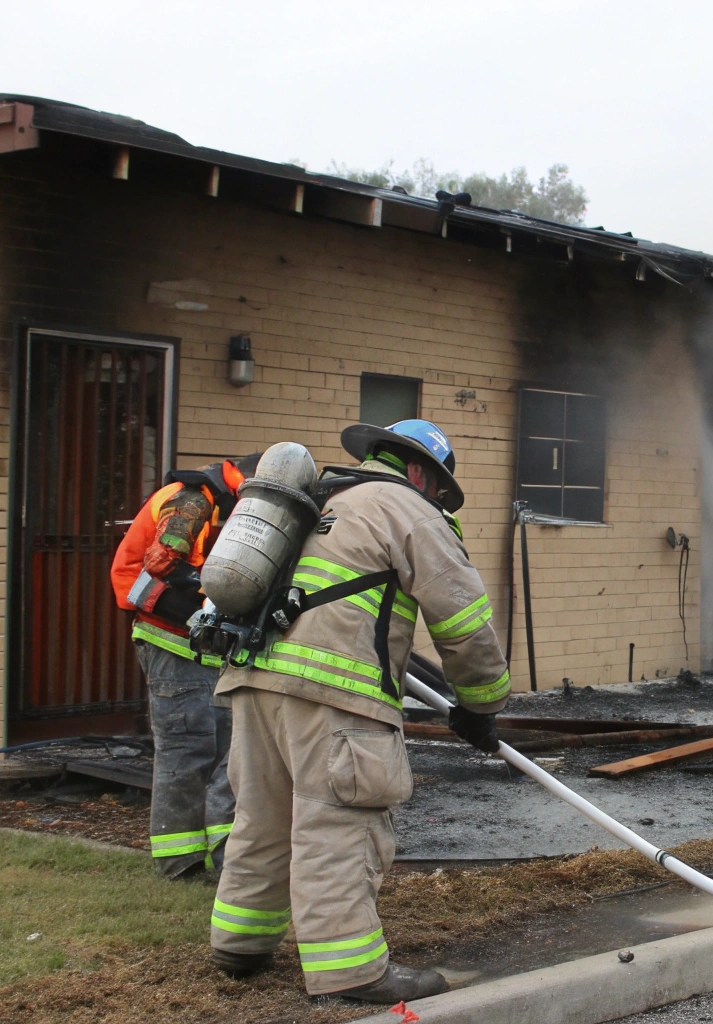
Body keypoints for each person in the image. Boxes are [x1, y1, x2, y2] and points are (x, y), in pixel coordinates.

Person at [209, 419, 509, 1003]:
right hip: (334, 695)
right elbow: (464, 621)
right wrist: (482, 704)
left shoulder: (322, 499)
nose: (436, 499)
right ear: (421, 471)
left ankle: (240, 943)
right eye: (438, 488)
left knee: (263, 816)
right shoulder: (410, 510)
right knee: (339, 825)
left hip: (252, 681)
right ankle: (351, 970)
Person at [110, 453, 261, 880]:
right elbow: (157, 571)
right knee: (189, 748)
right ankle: (181, 862)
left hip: (207, 643)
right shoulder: (191, 502)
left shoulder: (230, 503)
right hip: (171, 639)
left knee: (226, 753)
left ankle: (224, 857)